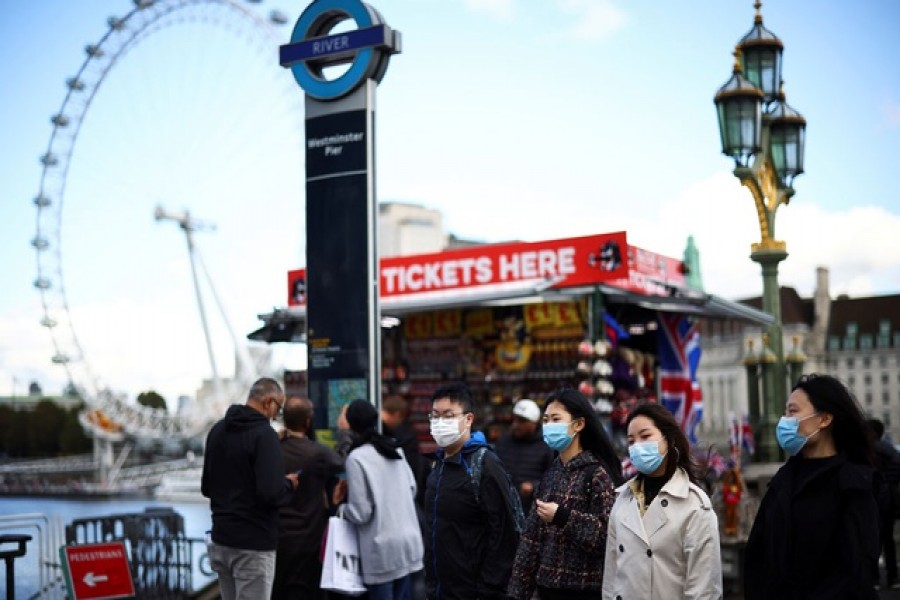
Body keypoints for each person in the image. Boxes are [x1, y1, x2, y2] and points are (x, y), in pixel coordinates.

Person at [743, 373, 880, 599]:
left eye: (793, 411)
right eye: (785, 411)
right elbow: (758, 555)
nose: (784, 420)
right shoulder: (783, 480)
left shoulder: (853, 483)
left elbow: (857, 568)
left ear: (824, 419)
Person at [507, 388, 623, 600]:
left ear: (578, 424)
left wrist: (563, 517)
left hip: (585, 591)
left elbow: (607, 536)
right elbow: (531, 541)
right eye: (546, 420)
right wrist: (517, 592)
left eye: (556, 419)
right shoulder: (551, 473)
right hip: (547, 589)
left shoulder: (597, 475)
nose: (549, 426)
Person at [603, 402, 722, 599]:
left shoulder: (694, 505)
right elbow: (611, 578)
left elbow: (704, 589)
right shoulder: (622, 499)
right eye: (631, 441)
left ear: (669, 440)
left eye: (646, 436)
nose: (637, 446)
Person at [201, 377, 300, 600]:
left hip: (221, 539)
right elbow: (270, 493)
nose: (276, 415)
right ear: (268, 402)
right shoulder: (264, 435)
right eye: (278, 407)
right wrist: (288, 484)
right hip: (253, 543)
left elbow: (207, 487)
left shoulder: (217, 431)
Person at [423, 382, 520, 600]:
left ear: (468, 419)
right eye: (435, 416)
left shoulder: (485, 464)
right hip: (439, 589)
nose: (439, 423)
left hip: (474, 592)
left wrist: (489, 589)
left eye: (448, 416)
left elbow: (503, 533)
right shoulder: (438, 463)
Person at [333, 399, 424, 600]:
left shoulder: (357, 458)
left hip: (382, 550)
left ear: (350, 424)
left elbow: (361, 512)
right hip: (408, 544)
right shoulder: (394, 449)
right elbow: (412, 489)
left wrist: (340, 509)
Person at [271, 397, 345, 600]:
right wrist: (345, 433)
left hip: (278, 537)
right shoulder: (317, 453)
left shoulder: (273, 449)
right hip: (309, 537)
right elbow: (342, 461)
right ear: (308, 421)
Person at [494, 398, 555, 514]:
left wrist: (534, 486)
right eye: (515, 419)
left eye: (522, 421)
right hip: (505, 508)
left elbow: (554, 478)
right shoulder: (503, 442)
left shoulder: (547, 445)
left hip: (532, 511)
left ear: (534, 423)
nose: (516, 425)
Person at [869, 417, 900, 590]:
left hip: (881, 502)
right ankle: (892, 577)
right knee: (886, 541)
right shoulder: (883, 449)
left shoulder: (876, 448)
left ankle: (875, 578)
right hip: (885, 501)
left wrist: (886, 480)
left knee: (877, 540)